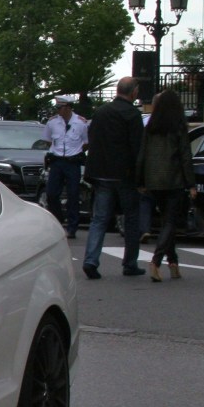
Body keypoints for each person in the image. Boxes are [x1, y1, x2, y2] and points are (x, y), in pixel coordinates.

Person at [82, 76, 145, 279]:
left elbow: (92, 139)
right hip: (124, 175)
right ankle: (130, 263)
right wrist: (140, 177)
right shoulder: (133, 115)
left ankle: (91, 260)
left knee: (99, 219)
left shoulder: (101, 112)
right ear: (133, 92)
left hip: (101, 173)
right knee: (131, 218)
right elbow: (137, 148)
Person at [136, 88, 197, 281]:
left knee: (165, 221)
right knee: (170, 222)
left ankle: (174, 263)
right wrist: (191, 183)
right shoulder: (178, 126)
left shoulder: (151, 126)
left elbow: (142, 155)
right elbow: (185, 157)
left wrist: (140, 180)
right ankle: (156, 261)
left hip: (153, 179)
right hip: (173, 179)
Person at [41, 94, 90, 238]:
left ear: (68, 107)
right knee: (51, 193)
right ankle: (59, 220)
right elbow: (48, 141)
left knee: (73, 194)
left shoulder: (81, 123)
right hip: (57, 162)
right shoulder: (52, 123)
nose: (58, 110)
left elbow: (86, 142)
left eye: (60, 107)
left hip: (72, 162)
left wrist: (76, 153)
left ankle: (72, 227)